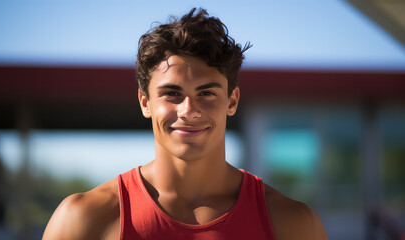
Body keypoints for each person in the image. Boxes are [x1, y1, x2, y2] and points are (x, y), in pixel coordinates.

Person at [43, 8, 327, 240]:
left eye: (206, 93)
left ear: (231, 101)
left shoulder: (292, 224)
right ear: (145, 102)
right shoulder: (83, 220)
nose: (188, 110)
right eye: (172, 93)